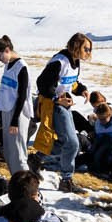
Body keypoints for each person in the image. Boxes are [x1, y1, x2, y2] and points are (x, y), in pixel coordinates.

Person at [36, 33, 92, 192]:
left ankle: (36, 158)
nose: (88, 52)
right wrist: (56, 98)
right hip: (53, 106)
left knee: (64, 143)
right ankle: (66, 180)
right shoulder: (59, 61)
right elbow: (42, 83)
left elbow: (70, 83)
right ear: (76, 47)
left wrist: (82, 90)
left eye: (89, 49)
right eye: (86, 49)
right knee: (73, 143)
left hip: (64, 105)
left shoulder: (75, 61)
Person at [0, 36, 36, 176]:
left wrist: (15, 120)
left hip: (18, 113)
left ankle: (27, 184)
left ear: (7, 50)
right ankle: (16, 181)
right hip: (7, 111)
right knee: (9, 152)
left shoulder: (21, 67)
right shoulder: (8, 65)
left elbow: (22, 95)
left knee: (18, 152)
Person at [82, 98, 112, 181]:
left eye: (104, 119)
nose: (102, 122)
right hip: (104, 152)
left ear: (109, 115)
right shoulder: (98, 124)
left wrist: (110, 143)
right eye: (100, 119)